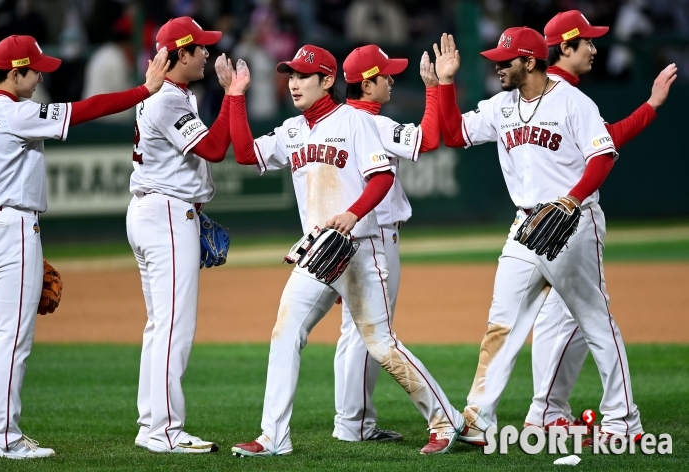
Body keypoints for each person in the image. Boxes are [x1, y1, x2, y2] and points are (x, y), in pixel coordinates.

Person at [226, 44, 466, 457]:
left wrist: (354, 214)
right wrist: (234, 96)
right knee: (285, 334)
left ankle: (447, 419)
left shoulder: (357, 122)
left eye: (303, 76)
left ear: (326, 81)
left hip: (362, 250)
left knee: (380, 344)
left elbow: (382, 179)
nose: (294, 83)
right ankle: (273, 437)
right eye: (291, 75)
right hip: (318, 254)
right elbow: (246, 153)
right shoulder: (292, 130)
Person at [434, 29, 643, 446]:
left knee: (594, 321)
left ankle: (624, 422)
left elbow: (602, 156)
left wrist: (572, 199)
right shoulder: (501, 105)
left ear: (530, 62)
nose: (497, 66)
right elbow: (455, 134)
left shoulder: (573, 102)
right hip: (525, 226)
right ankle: (478, 421)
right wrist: (444, 83)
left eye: (505, 60)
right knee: (502, 323)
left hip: (573, 222)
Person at [0, 34, 168, 460]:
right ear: (15, 73)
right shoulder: (16, 113)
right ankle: (2, 436)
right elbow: (86, 110)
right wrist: (144, 90)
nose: (39, 79)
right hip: (11, 224)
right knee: (13, 339)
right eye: (34, 72)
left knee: (1, 337)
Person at [523, 10, 677, 432]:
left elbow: (605, 137)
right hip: (570, 221)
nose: (594, 48)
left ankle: (546, 414)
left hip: (534, 226)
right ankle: (621, 419)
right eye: (586, 42)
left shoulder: (538, 95)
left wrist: (650, 106)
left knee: (556, 318)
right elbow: (604, 149)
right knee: (591, 316)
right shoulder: (570, 99)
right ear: (565, 47)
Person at [128, 16, 234, 454]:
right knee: (174, 326)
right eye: (200, 48)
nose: (207, 52)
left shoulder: (169, 96)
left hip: (154, 212)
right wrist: (234, 96)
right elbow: (213, 149)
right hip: (167, 216)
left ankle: (151, 423)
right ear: (179, 55)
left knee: (160, 326)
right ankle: (166, 431)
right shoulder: (168, 101)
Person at [333, 45, 441, 442]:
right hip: (375, 234)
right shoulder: (371, 124)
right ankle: (355, 425)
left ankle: (349, 422)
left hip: (348, 235)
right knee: (372, 332)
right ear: (366, 83)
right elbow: (426, 142)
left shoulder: (336, 121)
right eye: (385, 75)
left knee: (352, 331)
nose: (392, 80)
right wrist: (434, 89)